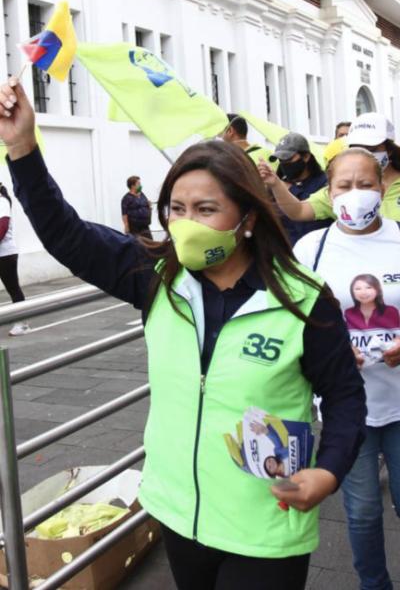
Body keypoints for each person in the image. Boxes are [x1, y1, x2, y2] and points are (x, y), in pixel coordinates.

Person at [0, 78, 367, 590]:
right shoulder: (155, 277)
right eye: (176, 209)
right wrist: (21, 148)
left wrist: (327, 471)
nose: (185, 224)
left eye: (206, 209)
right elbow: (66, 233)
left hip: (265, 524)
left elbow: (346, 395)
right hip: (178, 514)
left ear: (246, 217)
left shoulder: (303, 298)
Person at [290, 147, 400, 590]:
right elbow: (293, 320)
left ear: (384, 186)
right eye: (344, 186)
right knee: (363, 511)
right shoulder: (309, 249)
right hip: (345, 411)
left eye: (365, 184)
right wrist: (330, 353)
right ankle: (374, 585)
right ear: (328, 192)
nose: (355, 194)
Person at [259, 112, 400, 224]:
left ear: (389, 149)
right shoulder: (344, 187)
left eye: (372, 148)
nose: (365, 154)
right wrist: (276, 184)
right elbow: (299, 211)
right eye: (358, 148)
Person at [268, 132, 334, 245]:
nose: (284, 164)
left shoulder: (325, 183)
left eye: (288, 159)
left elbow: (303, 209)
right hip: (287, 255)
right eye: (281, 161)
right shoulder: (275, 185)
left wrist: (288, 189)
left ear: (306, 156)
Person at [0, 183, 29, 336]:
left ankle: (22, 324)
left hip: (5, 254)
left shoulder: (2, 202)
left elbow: (2, 227)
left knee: (13, 288)